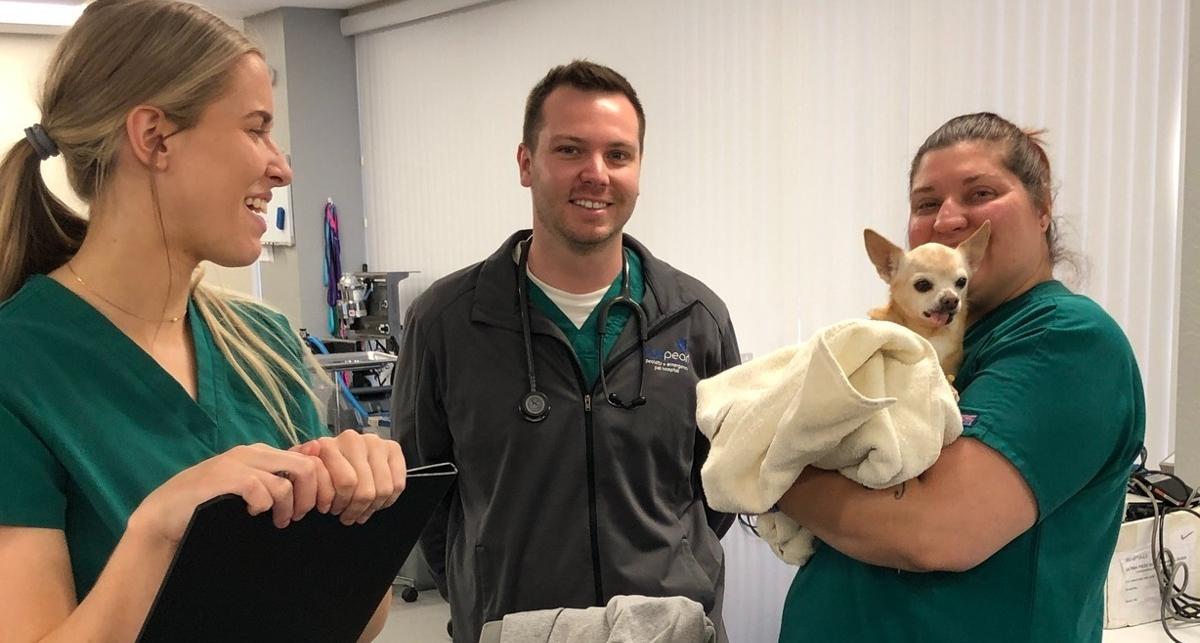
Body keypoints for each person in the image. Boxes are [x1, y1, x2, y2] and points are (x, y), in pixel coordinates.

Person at [0, 2, 406, 640]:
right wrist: (156, 531)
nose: (282, 167)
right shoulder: (17, 369)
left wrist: (359, 516)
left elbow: (352, 623)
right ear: (154, 137)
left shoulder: (262, 345)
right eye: (256, 129)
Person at [392, 60, 741, 643]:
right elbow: (424, 491)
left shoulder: (695, 317)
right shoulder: (448, 322)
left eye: (618, 155)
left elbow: (723, 485)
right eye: (570, 150)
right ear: (527, 164)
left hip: (669, 628)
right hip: (513, 628)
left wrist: (674, 566)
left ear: (638, 169)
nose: (596, 174)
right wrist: (480, 582)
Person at [774, 112, 1145, 642]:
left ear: (1042, 209)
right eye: (926, 203)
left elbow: (931, 533)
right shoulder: (927, 345)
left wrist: (777, 468)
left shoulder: (1063, 340)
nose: (948, 220)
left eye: (980, 193)